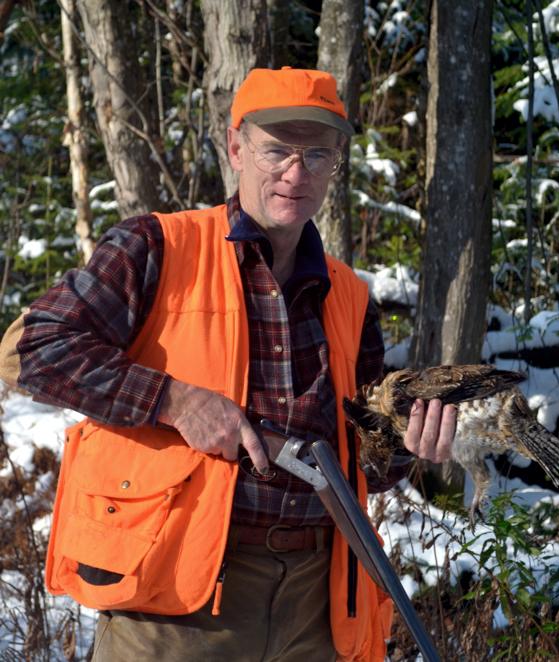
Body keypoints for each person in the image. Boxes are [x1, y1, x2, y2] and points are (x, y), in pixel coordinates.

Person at [0, 67, 456, 662]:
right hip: (178, 599)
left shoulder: (348, 295)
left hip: (316, 605)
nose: (296, 173)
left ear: (335, 166)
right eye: (277, 152)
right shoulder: (158, 246)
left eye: (317, 156)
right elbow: (31, 349)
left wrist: (410, 446)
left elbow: (360, 459)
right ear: (236, 148)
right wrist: (172, 401)